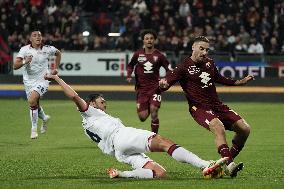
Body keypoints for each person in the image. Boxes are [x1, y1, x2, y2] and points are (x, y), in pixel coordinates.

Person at [44, 73, 228, 179]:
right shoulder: (89, 111)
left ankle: (121, 174)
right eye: (102, 101)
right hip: (121, 136)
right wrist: (57, 78)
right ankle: (205, 164)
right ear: (91, 103)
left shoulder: (88, 125)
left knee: (160, 174)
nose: (104, 104)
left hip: (119, 152)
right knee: (163, 142)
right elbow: (75, 96)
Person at [159, 36, 254, 178]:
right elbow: (167, 82)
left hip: (217, 105)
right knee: (218, 127)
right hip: (199, 108)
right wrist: (163, 85)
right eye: (201, 48)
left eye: (207, 50)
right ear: (193, 47)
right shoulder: (183, 67)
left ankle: (228, 160)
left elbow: (220, 78)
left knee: (245, 129)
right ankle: (229, 164)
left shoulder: (209, 63)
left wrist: (239, 82)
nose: (204, 52)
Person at [13, 29, 61, 139]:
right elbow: (15, 66)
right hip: (28, 82)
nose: (38, 37)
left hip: (43, 80)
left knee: (32, 100)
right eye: (34, 35)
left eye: (39, 35)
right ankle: (44, 118)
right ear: (30, 39)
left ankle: (33, 129)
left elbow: (58, 54)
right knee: (34, 103)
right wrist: (25, 61)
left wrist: (55, 69)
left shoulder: (48, 49)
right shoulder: (24, 50)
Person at [126, 29, 172, 133]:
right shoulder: (138, 54)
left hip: (155, 88)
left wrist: (165, 79)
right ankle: (145, 105)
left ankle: (154, 137)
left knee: (154, 112)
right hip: (141, 90)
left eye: (151, 38)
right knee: (142, 117)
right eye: (147, 38)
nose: (149, 40)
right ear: (143, 40)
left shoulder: (159, 56)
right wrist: (129, 74)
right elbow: (130, 65)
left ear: (154, 40)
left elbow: (169, 69)